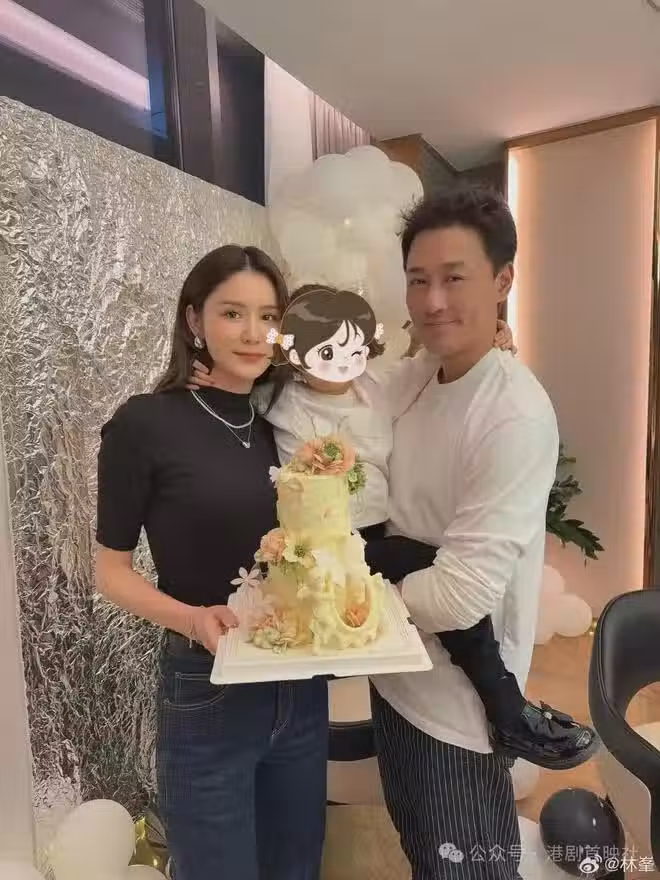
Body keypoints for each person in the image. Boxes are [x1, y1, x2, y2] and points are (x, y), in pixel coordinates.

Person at [190, 278, 595, 771]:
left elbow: (435, 358)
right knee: (391, 582)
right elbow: (234, 388)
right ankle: (508, 711)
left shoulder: (380, 387)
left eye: (345, 342)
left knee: (436, 588)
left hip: (372, 539)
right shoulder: (277, 398)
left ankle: (506, 709)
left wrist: (489, 335)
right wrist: (208, 371)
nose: (335, 357)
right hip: (317, 547)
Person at [366, 183, 582, 879]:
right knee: (424, 852)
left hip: (457, 703)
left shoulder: (511, 414)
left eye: (454, 278)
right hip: (398, 674)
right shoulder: (419, 378)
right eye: (418, 280)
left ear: (503, 281)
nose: (432, 301)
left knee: (467, 864)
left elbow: (461, 595)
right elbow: (343, 401)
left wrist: (348, 611)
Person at [95, 245, 328, 880]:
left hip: (301, 684)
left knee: (296, 868)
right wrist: (192, 619)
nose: (253, 333)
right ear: (194, 320)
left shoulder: (288, 420)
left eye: (268, 316)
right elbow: (110, 572)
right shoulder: (145, 425)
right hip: (208, 685)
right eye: (232, 313)